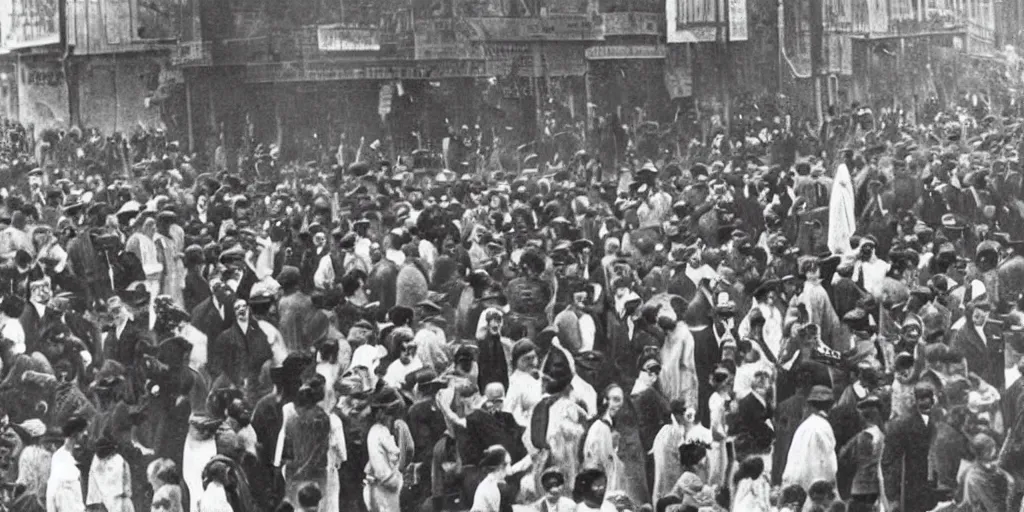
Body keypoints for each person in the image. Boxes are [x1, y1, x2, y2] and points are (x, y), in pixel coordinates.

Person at [782, 385, 837, 493]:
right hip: (816, 484)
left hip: (795, 481)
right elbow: (829, 463)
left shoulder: (803, 426)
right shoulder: (823, 426)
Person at [47, 415, 88, 512]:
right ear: (75, 434)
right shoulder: (64, 460)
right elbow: (63, 496)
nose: (86, 434)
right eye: (82, 431)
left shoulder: (63, 455)